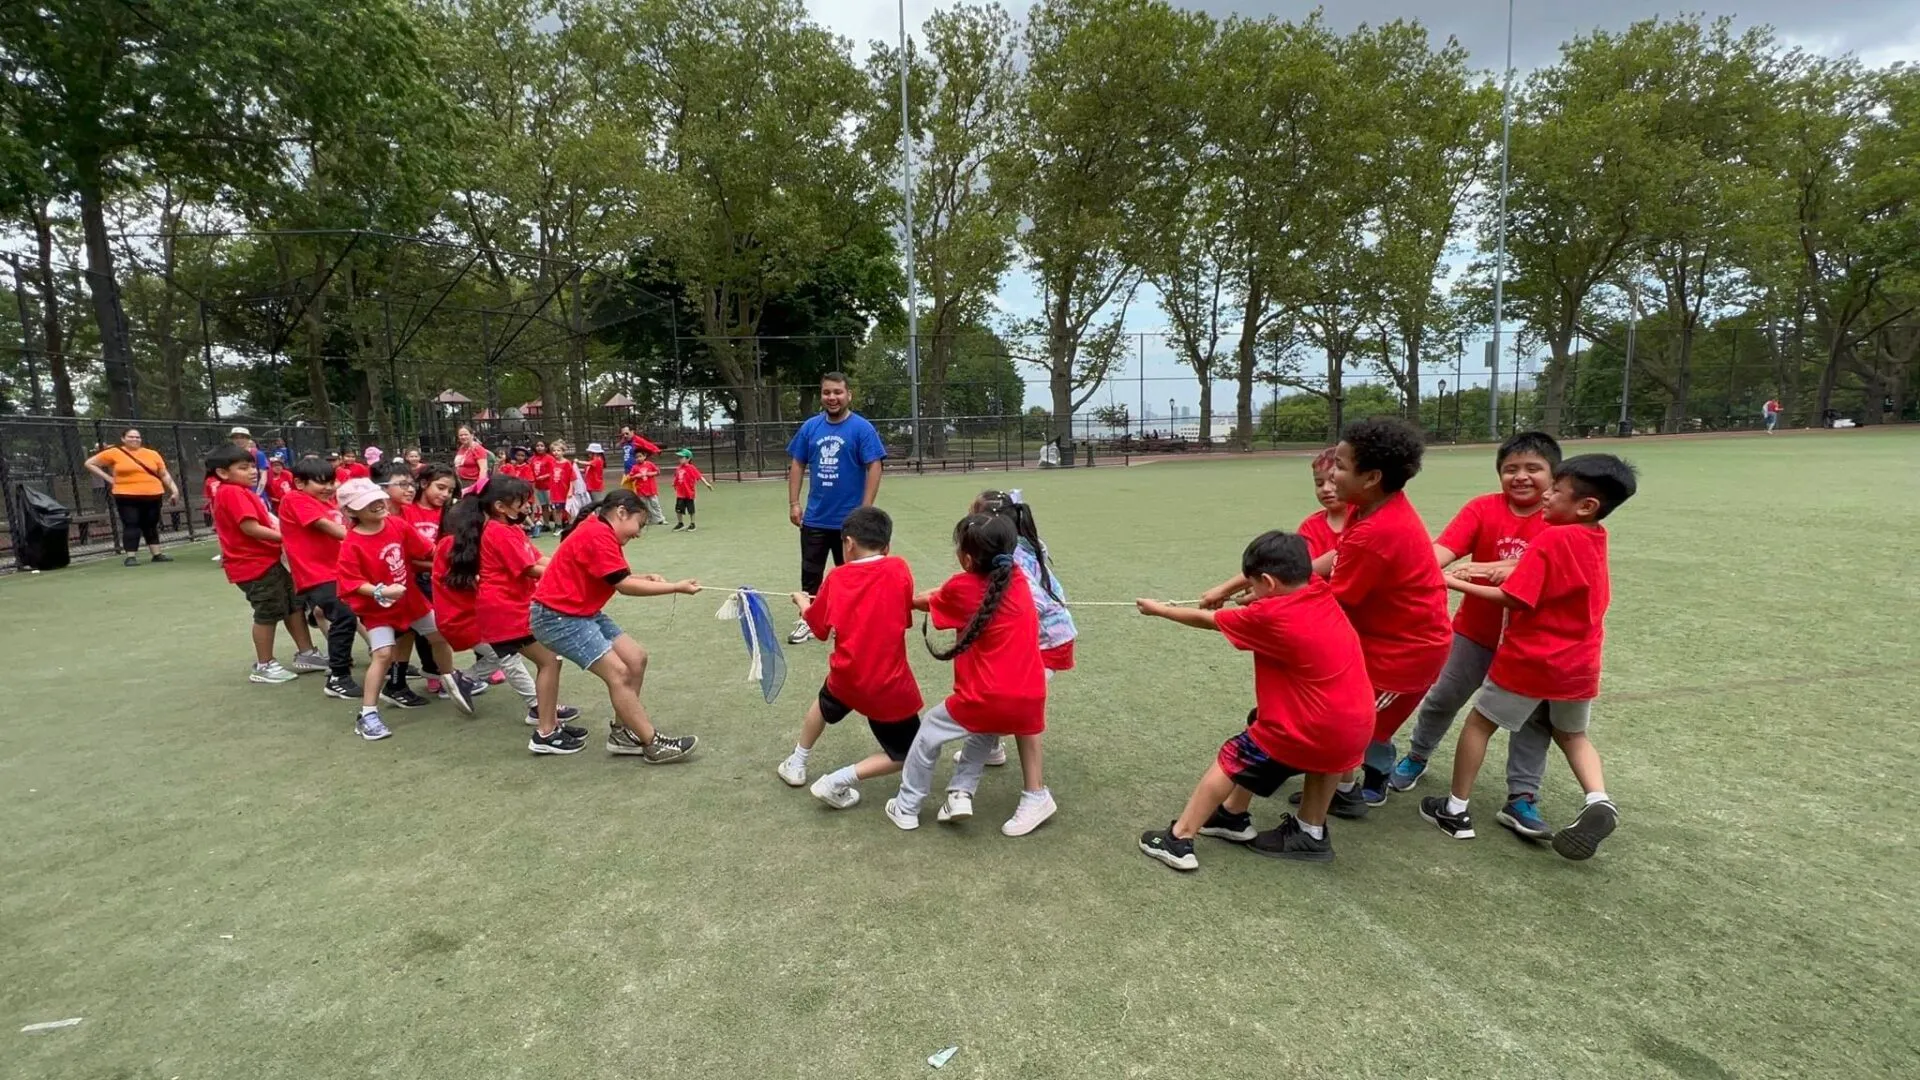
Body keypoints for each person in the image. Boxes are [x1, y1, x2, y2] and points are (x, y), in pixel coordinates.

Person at [1202, 417, 1451, 814]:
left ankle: (1302, 823)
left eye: (1340, 465)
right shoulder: (1369, 508)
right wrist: (1237, 588)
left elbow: (1333, 600)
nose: (1331, 476)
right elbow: (1323, 562)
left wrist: (1267, 605)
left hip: (1403, 657)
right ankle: (1337, 798)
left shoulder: (1379, 530)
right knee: (1325, 721)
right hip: (1373, 641)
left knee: (1329, 726)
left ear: (1370, 477)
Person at [1420, 454, 1637, 862]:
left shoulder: (1553, 538)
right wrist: (1484, 568)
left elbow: (1512, 598)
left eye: (1555, 490)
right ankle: (1598, 799)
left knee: (1479, 724)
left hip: (1532, 660)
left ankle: (1455, 810)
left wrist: (1447, 580)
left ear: (1586, 505)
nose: (1546, 495)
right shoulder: (1594, 536)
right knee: (1572, 735)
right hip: (1579, 666)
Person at [1136, 531, 1375, 870]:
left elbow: (1208, 620)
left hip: (1311, 729)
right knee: (1259, 721)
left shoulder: (1270, 618)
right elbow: (1272, 599)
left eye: (1254, 585)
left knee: (1234, 756)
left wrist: (1159, 610)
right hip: (1353, 727)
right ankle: (1236, 818)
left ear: (1267, 582)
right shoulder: (1318, 590)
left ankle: (1179, 839)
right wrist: (1245, 594)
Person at [1389, 431, 1562, 840]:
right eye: (1510, 469)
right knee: (1444, 696)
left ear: (1554, 476)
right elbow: (1441, 553)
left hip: (1532, 644)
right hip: (1475, 632)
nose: (1520, 477)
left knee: (1533, 720)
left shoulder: (1560, 519)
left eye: (1533, 469)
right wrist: (1416, 566)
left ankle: (1522, 797)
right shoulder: (1483, 508)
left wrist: (1479, 568)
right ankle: (1416, 756)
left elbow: (1540, 572)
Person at [888, 513, 1053, 837]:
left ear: (965, 558)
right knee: (985, 730)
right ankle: (960, 794)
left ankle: (906, 807)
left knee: (928, 734)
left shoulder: (961, 587)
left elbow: (925, 601)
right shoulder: (1017, 577)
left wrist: (894, 597)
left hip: (987, 699)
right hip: (1031, 699)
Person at [528, 489, 702, 760]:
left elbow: (612, 575)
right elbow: (623, 585)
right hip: (558, 617)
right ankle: (652, 743)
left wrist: (646, 577)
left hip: (581, 612)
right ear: (621, 512)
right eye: (639, 524)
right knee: (619, 673)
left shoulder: (600, 531)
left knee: (636, 658)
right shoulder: (597, 534)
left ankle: (621, 734)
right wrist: (675, 587)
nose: (638, 533)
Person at [774, 506, 923, 806]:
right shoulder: (899, 568)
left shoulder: (837, 577)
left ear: (849, 543)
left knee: (824, 702)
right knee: (910, 752)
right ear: (887, 545)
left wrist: (803, 603)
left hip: (847, 674)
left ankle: (798, 762)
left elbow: (818, 627)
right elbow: (903, 615)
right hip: (886, 683)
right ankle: (834, 780)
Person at [334, 478, 475, 740]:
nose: (377, 505)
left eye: (378, 499)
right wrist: (380, 591)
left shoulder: (397, 524)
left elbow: (428, 550)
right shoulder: (352, 543)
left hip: (411, 602)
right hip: (378, 611)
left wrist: (457, 560)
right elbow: (350, 582)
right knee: (383, 655)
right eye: (368, 503)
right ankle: (368, 714)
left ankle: (451, 679)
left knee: (440, 635)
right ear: (351, 512)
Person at [432, 492, 581, 733]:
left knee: (505, 655)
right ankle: (535, 706)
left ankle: (468, 680)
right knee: (509, 656)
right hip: (468, 617)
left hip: (472, 615)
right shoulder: (455, 544)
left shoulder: (467, 541)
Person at [957, 490, 1075, 770]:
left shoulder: (1014, 558)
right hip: (1044, 638)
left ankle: (1032, 787)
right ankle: (993, 748)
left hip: (1047, 642)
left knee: (1019, 702)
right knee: (1007, 692)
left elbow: (1029, 602)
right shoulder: (1018, 544)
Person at [205, 444, 321, 684]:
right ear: (223, 473)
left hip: (268, 560)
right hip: (253, 565)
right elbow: (250, 528)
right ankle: (264, 664)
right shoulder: (231, 492)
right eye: (243, 467)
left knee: (293, 604)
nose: (252, 471)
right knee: (267, 612)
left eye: (252, 466)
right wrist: (288, 537)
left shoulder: (243, 491)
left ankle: (307, 653)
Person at [786, 372, 886, 644]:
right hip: (816, 517)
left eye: (837, 392)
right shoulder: (810, 427)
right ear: (822, 396)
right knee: (811, 572)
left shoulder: (862, 428)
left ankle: (849, 623)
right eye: (827, 392)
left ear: (848, 395)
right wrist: (795, 503)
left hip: (850, 521)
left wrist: (865, 509)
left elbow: (874, 465)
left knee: (853, 575)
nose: (832, 398)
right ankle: (808, 619)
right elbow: (797, 463)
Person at [278, 458, 362, 700]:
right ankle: (338, 677)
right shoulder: (296, 499)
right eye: (320, 483)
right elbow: (330, 528)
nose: (327, 487)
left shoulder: (327, 502)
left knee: (360, 613)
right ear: (299, 483)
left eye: (330, 482)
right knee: (345, 616)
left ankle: (389, 663)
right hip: (316, 574)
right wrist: (367, 540)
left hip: (340, 570)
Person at [85, 427, 181, 567]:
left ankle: (157, 554)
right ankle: (131, 556)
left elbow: (163, 473)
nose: (135, 439)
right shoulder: (114, 453)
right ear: (123, 439)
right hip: (126, 495)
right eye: (131, 437)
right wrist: (109, 478)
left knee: (151, 524)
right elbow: (89, 463)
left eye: (137, 437)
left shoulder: (152, 454)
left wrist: (174, 490)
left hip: (153, 494)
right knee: (132, 523)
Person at [1298, 447, 1348, 560]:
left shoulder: (1366, 518)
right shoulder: (1309, 527)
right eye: (1319, 483)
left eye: (1333, 481)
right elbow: (1303, 571)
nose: (1325, 489)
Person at [671, 448, 713, 531]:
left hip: (689, 493)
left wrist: (707, 484)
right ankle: (680, 523)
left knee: (691, 510)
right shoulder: (678, 468)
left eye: (682, 457)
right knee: (678, 509)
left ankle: (692, 523)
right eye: (679, 457)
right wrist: (674, 484)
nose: (679, 459)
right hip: (680, 493)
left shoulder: (691, 468)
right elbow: (677, 477)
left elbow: (699, 476)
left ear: (688, 458)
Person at [623, 447, 665, 525]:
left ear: (644, 456)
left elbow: (657, 472)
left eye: (640, 456)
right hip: (641, 490)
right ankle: (648, 519)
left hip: (651, 489)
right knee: (644, 506)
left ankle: (660, 518)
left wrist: (650, 474)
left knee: (655, 504)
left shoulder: (650, 464)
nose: (638, 458)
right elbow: (630, 477)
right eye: (636, 457)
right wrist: (636, 476)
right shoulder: (635, 467)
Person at [547, 440, 579, 528]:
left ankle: (570, 525)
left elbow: (572, 478)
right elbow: (551, 478)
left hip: (565, 490)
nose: (556, 452)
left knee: (568, 509)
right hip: (556, 491)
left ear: (563, 452)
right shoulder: (552, 463)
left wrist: (570, 490)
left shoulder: (567, 463)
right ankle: (558, 526)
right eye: (554, 450)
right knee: (558, 510)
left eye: (558, 450)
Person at [529, 439, 555, 534]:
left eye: (542, 445)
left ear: (546, 447)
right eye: (538, 446)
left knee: (552, 506)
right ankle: (546, 524)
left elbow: (553, 471)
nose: (539, 448)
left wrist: (545, 476)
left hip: (549, 486)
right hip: (539, 486)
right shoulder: (532, 459)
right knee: (543, 506)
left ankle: (557, 524)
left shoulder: (549, 458)